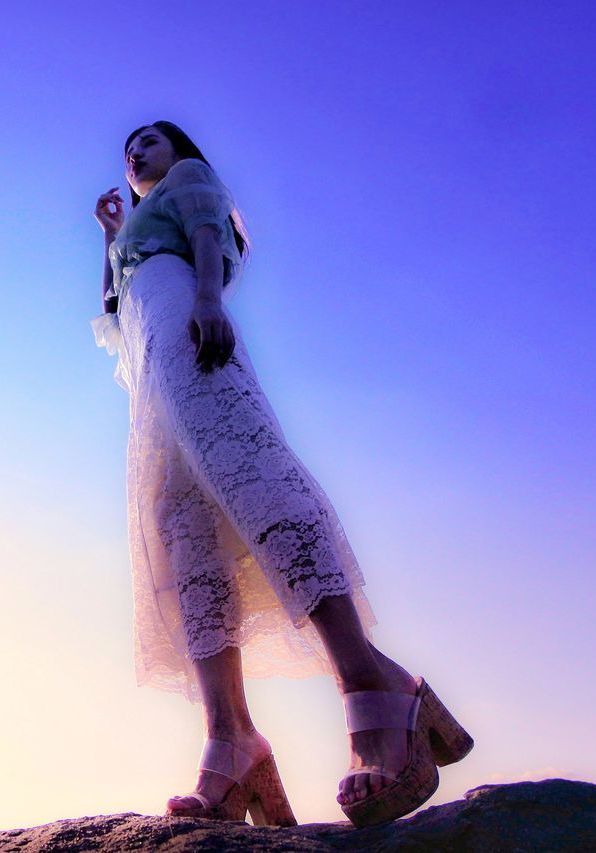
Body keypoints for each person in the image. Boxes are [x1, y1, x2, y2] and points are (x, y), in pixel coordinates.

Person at [89, 121, 474, 828]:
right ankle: (230, 735)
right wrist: (107, 236)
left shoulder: (187, 183)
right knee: (184, 533)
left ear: (180, 153)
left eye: (151, 141)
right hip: (153, 379)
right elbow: (115, 310)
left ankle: (371, 683)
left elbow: (207, 234)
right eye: (128, 149)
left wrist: (207, 300)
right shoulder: (133, 230)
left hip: (187, 331)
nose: (136, 153)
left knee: (251, 475)